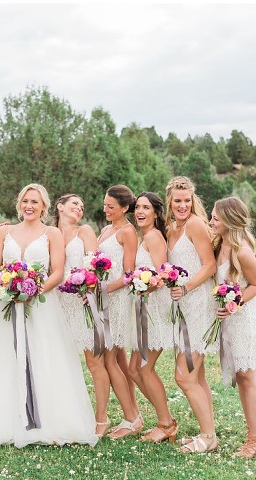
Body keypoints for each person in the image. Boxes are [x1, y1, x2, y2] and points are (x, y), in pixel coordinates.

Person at [0, 183, 97, 448]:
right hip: (8, 303)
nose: (29, 206)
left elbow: (57, 270)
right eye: (25, 201)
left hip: (41, 305)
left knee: (45, 357)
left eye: (34, 202)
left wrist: (35, 289)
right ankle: (2, 420)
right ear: (19, 205)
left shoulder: (51, 232)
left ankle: (49, 419)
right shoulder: (4, 232)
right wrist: (8, 285)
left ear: (44, 206)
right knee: (5, 358)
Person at [164, 176, 220, 453]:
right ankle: (207, 431)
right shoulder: (172, 228)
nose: (182, 205)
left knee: (184, 377)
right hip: (182, 306)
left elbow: (209, 266)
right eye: (178, 201)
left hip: (197, 304)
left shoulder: (196, 224)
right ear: (170, 202)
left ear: (193, 200)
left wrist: (185, 288)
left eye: (187, 200)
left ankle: (209, 438)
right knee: (197, 377)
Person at [210, 196, 256, 458]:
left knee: (248, 376)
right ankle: (253, 436)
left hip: (245, 319)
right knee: (241, 376)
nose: (211, 220)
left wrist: (234, 304)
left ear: (230, 221)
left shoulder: (241, 250)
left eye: (216, 217)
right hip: (230, 320)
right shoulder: (219, 244)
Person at [52, 194, 111, 437]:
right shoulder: (48, 233)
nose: (79, 207)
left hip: (82, 302)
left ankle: (101, 417)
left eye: (82, 205)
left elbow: (98, 265)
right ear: (60, 207)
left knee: (93, 361)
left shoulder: (84, 231)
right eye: (75, 203)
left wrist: (89, 285)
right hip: (55, 304)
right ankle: (60, 414)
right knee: (58, 361)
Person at [127, 192, 177, 444]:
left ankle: (166, 423)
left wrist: (144, 284)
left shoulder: (154, 237)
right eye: (137, 207)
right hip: (144, 308)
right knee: (134, 369)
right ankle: (165, 418)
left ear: (156, 213)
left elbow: (163, 275)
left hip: (156, 309)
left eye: (146, 207)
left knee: (144, 368)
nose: (140, 211)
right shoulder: (144, 236)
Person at [97, 185, 143, 440]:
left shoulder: (127, 232)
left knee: (109, 359)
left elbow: (128, 275)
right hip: (102, 298)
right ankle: (133, 412)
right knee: (118, 359)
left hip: (116, 299)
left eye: (111, 206)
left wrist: (103, 288)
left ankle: (131, 417)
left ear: (125, 208)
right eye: (104, 205)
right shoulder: (105, 229)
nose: (106, 209)